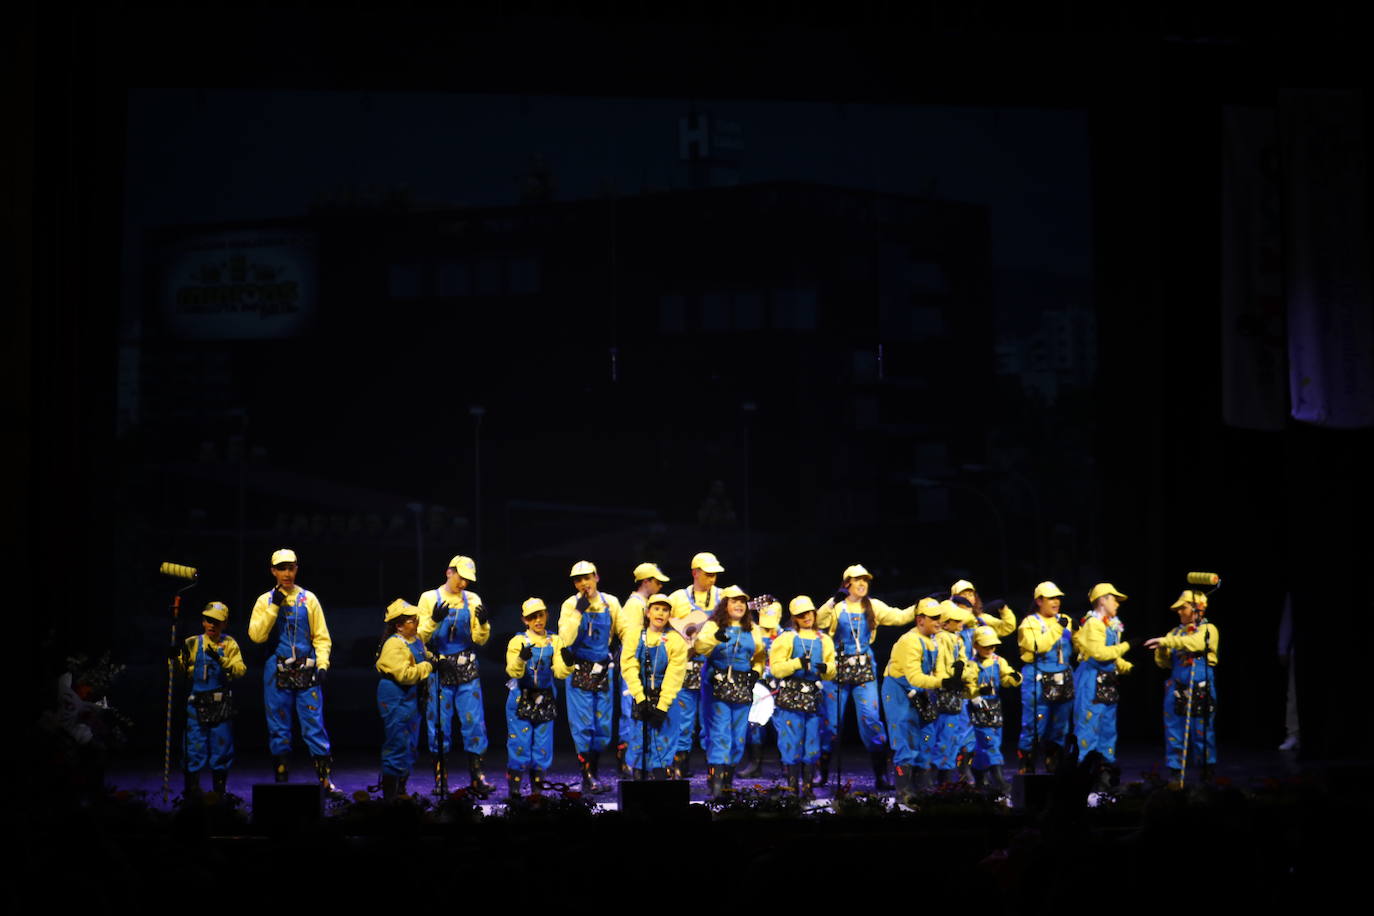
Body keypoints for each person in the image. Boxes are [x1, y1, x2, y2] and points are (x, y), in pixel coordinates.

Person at [814, 564, 915, 789]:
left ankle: (881, 775)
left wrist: (922, 608)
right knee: (831, 723)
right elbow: (818, 623)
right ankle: (821, 773)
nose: (862, 584)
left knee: (870, 718)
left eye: (865, 580)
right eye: (857, 580)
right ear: (846, 583)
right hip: (836, 666)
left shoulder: (873, 605)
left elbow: (898, 617)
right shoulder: (836, 606)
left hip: (864, 666)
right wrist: (832, 601)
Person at [248, 548, 337, 792]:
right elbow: (256, 636)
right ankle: (281, 780)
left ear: (296, 569)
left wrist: (322, 664)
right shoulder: (264, 600)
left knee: (313, 723)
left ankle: (325, 781)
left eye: (291, 568)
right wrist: (273, 607)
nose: (287, 573)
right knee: (278, 724)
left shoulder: (309, 599)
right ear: (273, 571)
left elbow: (321, 636)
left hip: (307, 668)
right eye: (282, 568)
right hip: (276, 668)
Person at [416, 554, 493, 797]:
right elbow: (419, 638)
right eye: (461, 578)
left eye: (468, 580)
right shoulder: (429, 598)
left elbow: (480, 640)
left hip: (466, 667)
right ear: (449, 572)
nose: (464, 584)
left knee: (474, 723)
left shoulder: (472, 599)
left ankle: (477, 776)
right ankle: (441, 778)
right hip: (439, 669)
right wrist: (433, 621)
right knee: (439, 724)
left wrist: (483, 623)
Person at [694, 584, 768, 799]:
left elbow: (760, 656)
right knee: (719, 734)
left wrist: (756, 671)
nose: (739, 605)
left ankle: (727, 782)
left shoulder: (753, 628)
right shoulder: (712, 625)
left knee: (738, 737)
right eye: (734, 601)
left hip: (742, 687)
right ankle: (716, 786)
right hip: (717, 686)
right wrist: (716, 637)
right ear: (724, 604)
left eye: (742, 601)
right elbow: (699, 648)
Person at [558, 560, 623, 794]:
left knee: (603, 726)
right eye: (578, 579)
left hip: (603, 669)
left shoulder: (611, 602)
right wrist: (578, 611)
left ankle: (594, 770)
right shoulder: (570, 605)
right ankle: (587, 776)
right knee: (583, 725)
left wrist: (620, 650)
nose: (583, 583)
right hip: (579, 670)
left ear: (597, 577)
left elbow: (622, 630)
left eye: (587, 577)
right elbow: (564, 639)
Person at [880, 598, 951, 804]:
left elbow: (935, 670)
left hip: (922, 692)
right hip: (899, 691)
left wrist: (949, 678)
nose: (939, 621)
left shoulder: (934, 640)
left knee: (927, 736)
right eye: (934, 618)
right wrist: (942, 682)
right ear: (920, 619)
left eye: (940, 617)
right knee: (905, 738)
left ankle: (923, 787)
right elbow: (914, 677)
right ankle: (904, 791)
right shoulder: (909, 641)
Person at [1144, 589, 1219, 784]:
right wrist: (1161, 651)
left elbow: (1195, 644)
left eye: (1183, 608)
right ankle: (1176, 771)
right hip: (1177, 684)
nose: (1179, 612)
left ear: (1196, 609)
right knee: (1174, 728)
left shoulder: (1208, 629)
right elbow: (1165, 664)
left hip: (1200, 683)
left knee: (1201, 729)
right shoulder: (1175, 632)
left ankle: (1206, 768)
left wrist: (1166, 640)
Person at [175, 601, 246, 798]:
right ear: (203, 621)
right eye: (208, 620)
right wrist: (174, 659)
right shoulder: (192, 643)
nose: (212, 625)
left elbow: (240, 670)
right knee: (193, 747)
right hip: (196, 703)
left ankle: (220, 792)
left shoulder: (229, 643)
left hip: (220, 704)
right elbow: (179, 672)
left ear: (224, 624)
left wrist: (222, 661)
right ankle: (192, 790)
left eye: (217, 621)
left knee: (221, 747)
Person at [768, 596, 835, 798]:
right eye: (801, 614)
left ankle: (807, 787)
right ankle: (792, 786)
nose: (807, 617)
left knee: (812, 740)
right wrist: (796, 664)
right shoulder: (786, 638)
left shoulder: (824, 640)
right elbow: (776, 669)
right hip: (791, 697)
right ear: (795, 618)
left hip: (813, 696)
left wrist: (827, 669)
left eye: (809, 612)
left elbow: (832, 668)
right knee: (791, 740)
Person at [665, 551, 725, 776]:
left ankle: (714, 770)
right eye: (708, 574)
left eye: (714, 575)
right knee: (684, 719)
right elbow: (662, 624)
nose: (712, 579)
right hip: (687, 665)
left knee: (713, 719)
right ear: (695, 573)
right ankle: (680, 765)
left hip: (713, 666)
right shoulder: (678, 597)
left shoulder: (723, 597)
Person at [505, 598, 572, 798]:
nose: (537, 620)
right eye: (532, 617)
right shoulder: (518, 641)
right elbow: (512, 672)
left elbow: (560, 673)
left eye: (540, 615)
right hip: (521, 697)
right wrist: (521, 659)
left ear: (546, 615)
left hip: (545, 697)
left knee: (543, 745)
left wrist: (567, 663)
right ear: (525, 620)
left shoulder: (556, 640)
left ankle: (537, 790)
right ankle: (515, 789)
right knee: (519, 743)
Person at [620, 593, 689, 779]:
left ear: (669, 615)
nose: (660, 613)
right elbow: (629, 666)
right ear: (648, 612)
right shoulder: (635, 636)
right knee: (639, 742)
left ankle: (661, 788)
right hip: (640, 696)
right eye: (656, 609)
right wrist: (640, 698)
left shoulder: (675, 640)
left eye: (665, 610)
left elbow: (675, 675)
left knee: (663, 745)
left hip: (665, 699)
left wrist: (662, 706)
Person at [1073, 583, 1133, 793]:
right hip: (1091, 680)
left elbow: (1112, 657)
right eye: (1113, 598)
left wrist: (1127, 666)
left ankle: (1105, 777)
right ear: (1102, 600)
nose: (1117, 603)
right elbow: (1098, 653)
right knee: (1089, 728)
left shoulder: (1112, 624)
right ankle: (1083, 779)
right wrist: (1127, 646)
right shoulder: (1093, 624)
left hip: (1108, 680)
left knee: (1108, 729)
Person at [375, 599, 434, 799]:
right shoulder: (393, 644)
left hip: (411, 698)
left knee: (410, 744)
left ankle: (402, 789)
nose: (416, 622)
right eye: (410, 620)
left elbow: (425, 655)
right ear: (399, 625)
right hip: (395, 697)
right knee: (397, 742)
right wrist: (428, 667)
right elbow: (404, 674)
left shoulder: (415, 640)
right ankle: (390, 796)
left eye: (415, 619)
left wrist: (435, 659)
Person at [617, 562, 670, 777]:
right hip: (634, 668)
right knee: (631, 713)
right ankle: (629, 763)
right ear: (646, 581)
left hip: (646, 669)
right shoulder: (634, 605)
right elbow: (630, 640)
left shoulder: (646, 604)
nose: (659, 586)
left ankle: (641, 762)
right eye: (656, 582)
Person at [1016, 580, 1075, 773]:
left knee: (1060, 724)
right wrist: (1058, 628)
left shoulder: (1065, 619)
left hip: (1062, 676)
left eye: (1058, 598)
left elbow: (1075, 645)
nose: (1056, 601)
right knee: (1035, 722)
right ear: (1039, 600)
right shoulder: (1030, 623)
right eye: (1051, 598)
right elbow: (1037, 646)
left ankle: (1054, 759)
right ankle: (1027, 763)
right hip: (1038, 677)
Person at [968, 625, 1022, 795]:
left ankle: (979, 773)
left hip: (995, 707)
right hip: (979, 708)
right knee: (989, 741)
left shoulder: (999, 661)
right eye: (985, 645)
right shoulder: (971, 664)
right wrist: (975, 693)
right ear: (975, 645)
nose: (989, 649)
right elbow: (968, 684)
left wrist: (1014, 678)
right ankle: (999, 779)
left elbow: (1006, 677)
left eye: (992, 645)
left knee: (992, 742)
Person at [933, 599, 978, 784]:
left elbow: (964, 663)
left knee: (956, 733)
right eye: (956, 620)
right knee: (945, 734)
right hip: (945, 692)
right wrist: (956, 676)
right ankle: (942, 778)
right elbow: (942, 667)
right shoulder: (942, 638)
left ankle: (949, 775)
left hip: (956, 691)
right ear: (944, 622)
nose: (961, 624)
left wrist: (964, 674)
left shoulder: (956, 638)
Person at [739, 596, 783, 778]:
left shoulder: (786, 635)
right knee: (754, 725)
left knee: (782, 725)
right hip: (758, 685)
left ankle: (787, 765)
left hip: (780, 685)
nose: (768, 626)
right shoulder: (752, 632)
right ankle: (755, 764)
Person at [952, 578, 1017, 637]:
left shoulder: (982, 618)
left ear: (975, 599)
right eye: (963, 595)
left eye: (971, 595)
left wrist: (1003, 609)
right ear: (955, 598)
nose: (967, 598)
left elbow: (1007, 627)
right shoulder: (949, 619)